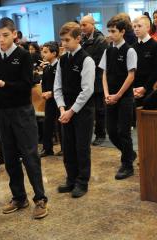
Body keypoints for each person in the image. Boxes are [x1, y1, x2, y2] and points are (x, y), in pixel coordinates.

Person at [0, 17, 48, 219]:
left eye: (5, 35)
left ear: (14, 34)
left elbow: (26, 84)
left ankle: (40, 198)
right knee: (10, 157)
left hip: (22, 111)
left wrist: (5, 85)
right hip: (2, 111)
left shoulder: (23, 55)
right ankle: (18, 196)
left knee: (30, 155)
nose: (1, 39)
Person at [54, 22, 95, 198]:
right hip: (66, 110)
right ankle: (71, 179)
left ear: (78, 38)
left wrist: (71, 111)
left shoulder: (87, 59)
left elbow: (87, 90)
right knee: (68, 146)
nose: (63, 44)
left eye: (67, 40)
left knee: (81, 147)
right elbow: (57, 86)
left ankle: (82, 181)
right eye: (62, 40)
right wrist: (62, 108)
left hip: (82, 110)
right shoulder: (62, 59)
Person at [99, 17, 137, 180]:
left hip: (125, 97)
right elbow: (104, 73)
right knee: (111, 131)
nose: (111, 34)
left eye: (114, 31)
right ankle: (130, 153)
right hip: (110, 97)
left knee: (123, 132)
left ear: (122, 32)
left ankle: (127, 165)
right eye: (109, 31)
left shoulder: (129, 50)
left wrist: (118, 95)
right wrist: (107, 94)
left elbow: (131, 75)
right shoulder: (108, 50)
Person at [80, 15, 108, 146]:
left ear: (93, 24)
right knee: (87, 109)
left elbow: (98, 62)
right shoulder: (83, 39)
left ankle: (100, 134)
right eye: (81, 25)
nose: (82, 28)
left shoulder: (100, 40)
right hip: (85, 78)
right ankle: (89, 134)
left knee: (99, 109)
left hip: (97, 78)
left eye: (85, 25)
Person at [132, 15, 157, 111]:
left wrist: (145, 88)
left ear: (148, 28)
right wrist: (133, 88)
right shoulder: (132, 47)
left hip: (149, 88)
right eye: (135, 27)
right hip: (135, 89)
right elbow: (131, 70)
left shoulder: (155, 46)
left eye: (139, 26)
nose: (136, 29)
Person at [39, 41, 62, 157]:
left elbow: (62, 85)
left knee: (61, 123)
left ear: (54, 53)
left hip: (59, 99)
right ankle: (47, 148)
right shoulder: (47, 67)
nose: (43, 54)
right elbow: (45, 83)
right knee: (47, 123)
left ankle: (64, 148)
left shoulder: (60, 66)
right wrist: (44, 93)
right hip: (49, 100)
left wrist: (52, 93)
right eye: (42, 52)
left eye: (45, 52)